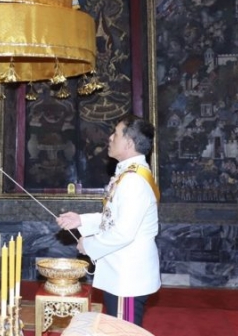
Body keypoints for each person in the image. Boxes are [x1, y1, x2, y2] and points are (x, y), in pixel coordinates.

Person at [56, 115, 160, 327]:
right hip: (121, 274)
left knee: (123, 331)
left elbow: (123, 233)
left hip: (128, 278)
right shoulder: (128, 174)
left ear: (129, 143)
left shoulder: (133, 181)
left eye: (116, 133)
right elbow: (113, 218)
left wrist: (88, 245)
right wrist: (80, 221)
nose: (110, 137)